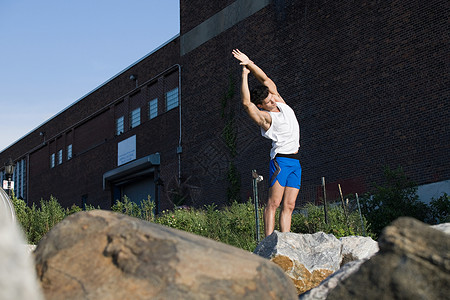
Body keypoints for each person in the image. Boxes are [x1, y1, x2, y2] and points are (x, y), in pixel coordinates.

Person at [232, 49, 301, 237]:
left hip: (296, 162)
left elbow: (265, 80)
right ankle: (268, 241)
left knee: (290, 205)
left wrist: (249, 63)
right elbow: (247, 104)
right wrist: (244, 75)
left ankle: (285, 240)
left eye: (271, 98)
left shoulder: (280, 102)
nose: (272, 101)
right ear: (261, 106)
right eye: (268, 102)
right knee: (274, 203)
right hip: (281, 161)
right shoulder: (266, 118)